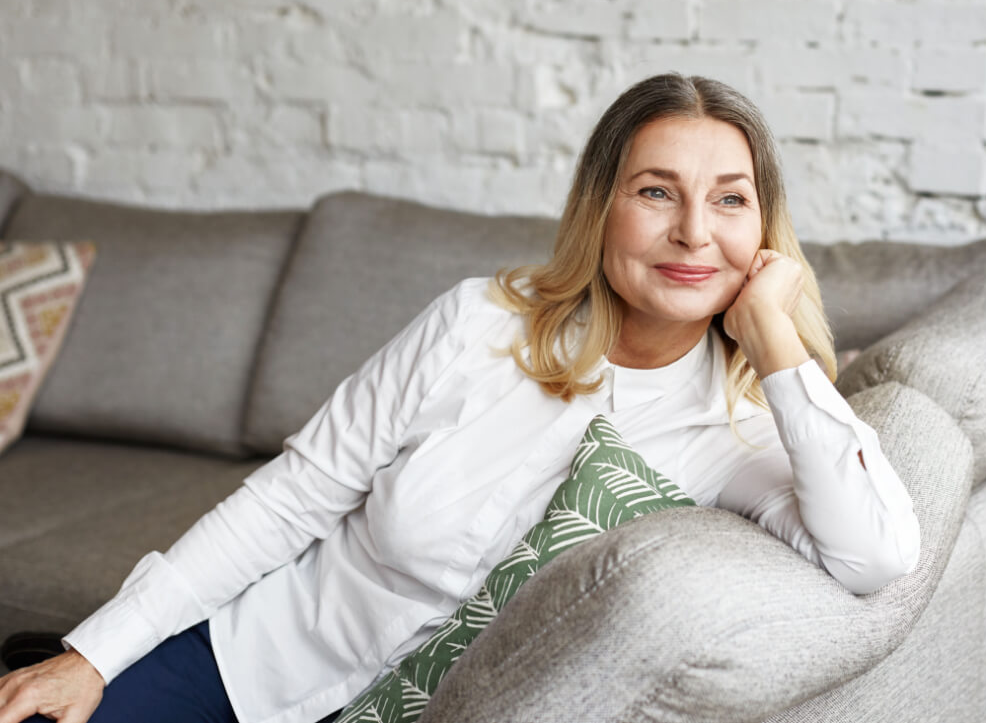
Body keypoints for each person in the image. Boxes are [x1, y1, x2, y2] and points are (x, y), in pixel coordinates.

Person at [0, 73, 921, 723]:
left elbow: (877, 556)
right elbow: (291, 498)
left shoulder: (740, 429)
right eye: (656, 191)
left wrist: (772, 332)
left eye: (730, 200)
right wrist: (94, 653)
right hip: (247, 662)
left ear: (764, 228)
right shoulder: (480, 321)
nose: (692, 231)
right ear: (601, 208)